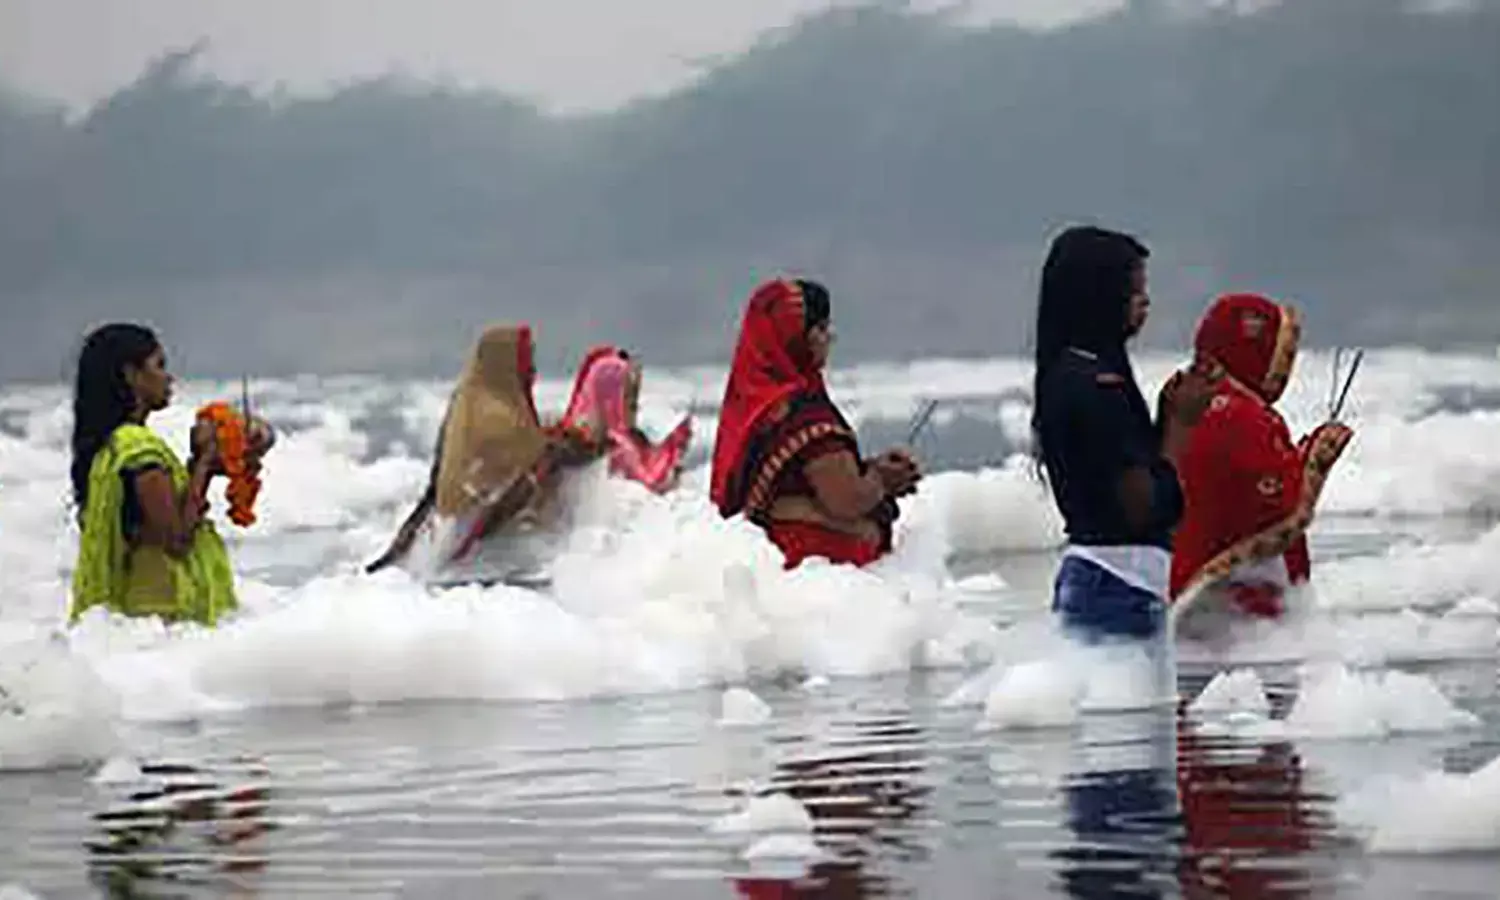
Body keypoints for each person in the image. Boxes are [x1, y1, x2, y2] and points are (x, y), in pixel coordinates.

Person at [1030, 226, 1213, 676]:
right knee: (1125, 737)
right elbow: (1140, 506)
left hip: (1106, 578)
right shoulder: (1095, 384)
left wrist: (1165, 417)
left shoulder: (1074, 370)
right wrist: (1181, 427)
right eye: (1133, 291)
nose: (1144, 302)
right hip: (1116, 584)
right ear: (1098, 296)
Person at [1165, 293, 1354, 636]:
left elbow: (1241, 490)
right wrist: (1316, 457)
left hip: (1187, 583)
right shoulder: (1240, 415)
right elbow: (1277, 509)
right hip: (1233, 613)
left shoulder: (1197, 396)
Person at [68, 323, 273, 626]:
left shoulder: (111, 447)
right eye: (159, 365)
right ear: (131, 375)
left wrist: (205, 462)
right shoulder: (138, 449)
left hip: (136, 616)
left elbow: (151, 527)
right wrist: (203, 465)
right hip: (160, 614)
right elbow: (175, 538)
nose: (169, 377)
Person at [710, 277, 920, 570]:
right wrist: (882, 479)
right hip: (814, 573)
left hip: (770, 565)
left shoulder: (756, 405)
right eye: (821, 328)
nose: (830, 337)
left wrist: (870, 469)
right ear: (797, 337)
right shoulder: (803, 413)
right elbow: (845, 500)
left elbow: (799, 481)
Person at [365, 323, 600, 576]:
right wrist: (587, 447)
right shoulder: (493, 413)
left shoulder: (474, 400)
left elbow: (434, 488)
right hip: (477, 543)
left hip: (456, 534)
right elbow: (533, 456)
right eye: (526, 358)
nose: (532, 368)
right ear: (505, 363)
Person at [557, 345, 693, 494]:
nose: (636, 406)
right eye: (628, 398)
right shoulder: (617, 448)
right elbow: (649, 485)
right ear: (609, 399)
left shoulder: (628, 439)